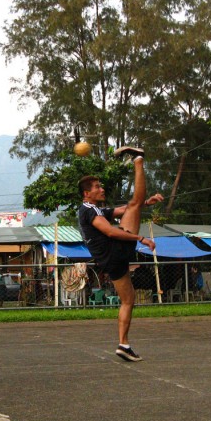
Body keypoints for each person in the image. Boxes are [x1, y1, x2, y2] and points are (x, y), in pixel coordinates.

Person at [78, 146, 164, 362]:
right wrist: (140, 238)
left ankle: (124, 344)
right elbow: (108, 231)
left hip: (110, 261)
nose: (102, 189)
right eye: (97, 187)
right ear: (87, 194)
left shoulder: (93, 209)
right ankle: (138, 160)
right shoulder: (89, 210)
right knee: (134, 204)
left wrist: (145, 203)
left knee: (128, 300)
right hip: (115, 250)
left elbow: (122, 210)